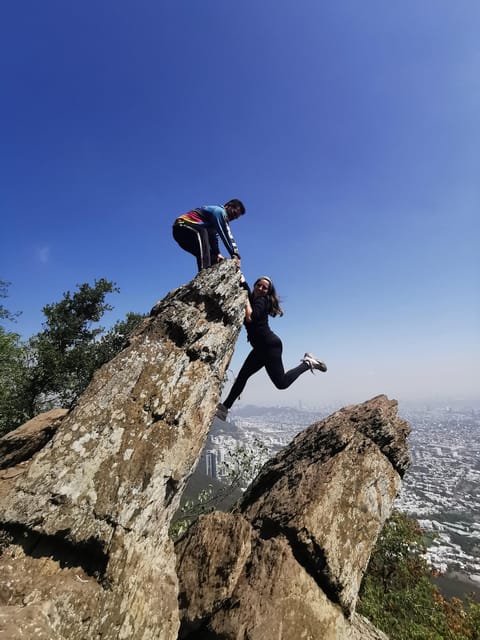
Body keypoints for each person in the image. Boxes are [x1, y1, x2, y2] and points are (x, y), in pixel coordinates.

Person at [216, 276, 327, 421]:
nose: (260, 289)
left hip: (270, 346)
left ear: (268, 291)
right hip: (260, 348)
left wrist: (245, 299)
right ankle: (224, 408)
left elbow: (251, 317)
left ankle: (307, 363)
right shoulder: (253, 298)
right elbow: (245, 288)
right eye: (258, 285)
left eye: (264, 287)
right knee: (243, 376)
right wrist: (241, 278)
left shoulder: (263, 301)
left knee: (281, 383)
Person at [172, 199, 245, 272]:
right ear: (228, 206)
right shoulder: (219, 211)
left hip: (189, 236)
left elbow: (213, 236)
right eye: (234, 213)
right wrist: (236, 254)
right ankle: (204, 271)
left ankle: (212, 274)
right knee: (202, 232)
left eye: (236, 217)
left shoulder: (215, 221)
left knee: (212, 256)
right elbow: (227, 234)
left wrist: (217, 253)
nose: (233, 218)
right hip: (182, 226)